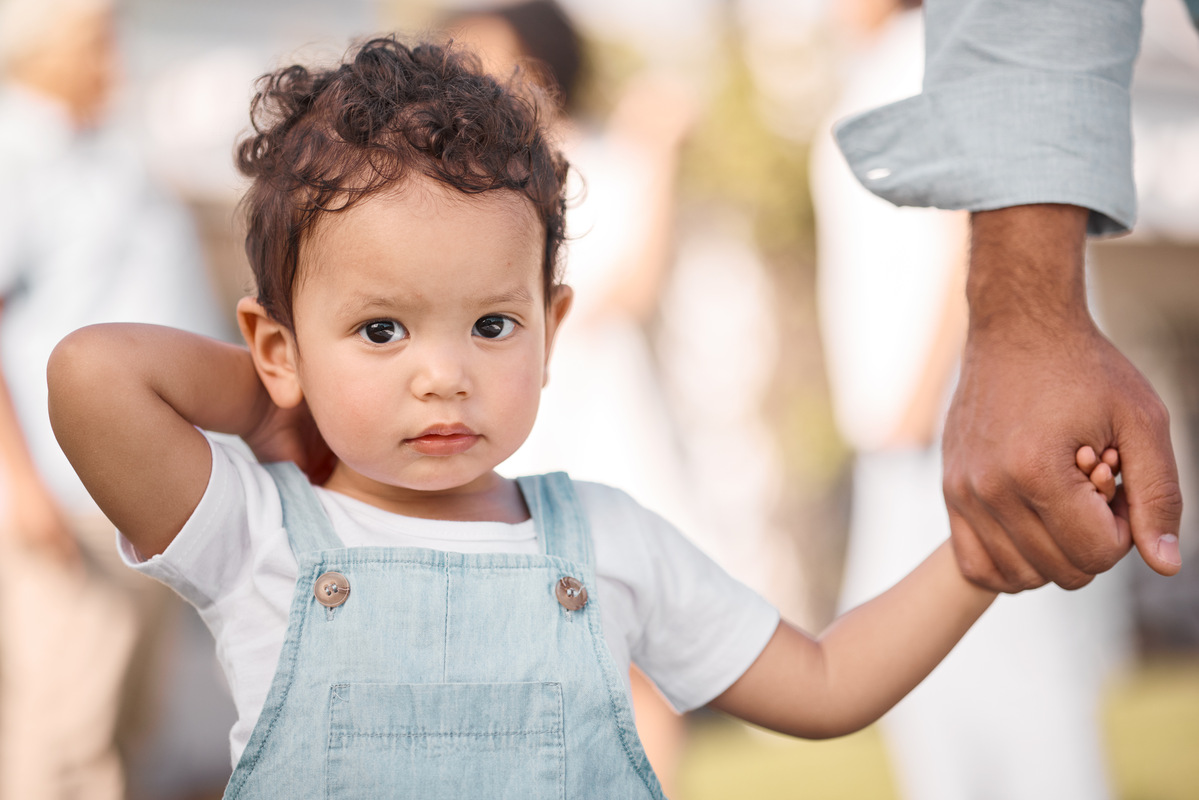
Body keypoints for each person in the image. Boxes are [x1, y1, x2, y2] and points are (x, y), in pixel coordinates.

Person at [47, 37, 1114, 797]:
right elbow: (91, 374)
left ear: (552, 328)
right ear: (276, 344)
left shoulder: (607, 540)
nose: (443, 375)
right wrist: (285, 401)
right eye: (380, 331)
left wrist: (980, 555)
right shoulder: (258, 532)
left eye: (491, 325)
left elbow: (827, 682)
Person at [813, 2, 1129, 796]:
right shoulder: (875, 65)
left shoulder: (931, 55)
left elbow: (975, 223)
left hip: (941, 418)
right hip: (900, 422)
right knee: (931, 686)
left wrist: (920, 407)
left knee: (1010, 674)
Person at [834, 0, 1189, 594]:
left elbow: (955, 238)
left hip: (937, 406)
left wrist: (1014, 336)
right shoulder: (873, 67)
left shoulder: (922, 58)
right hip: (912, 411)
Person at [443, 3, 699, 792]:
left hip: (605, 434)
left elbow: (633, 282)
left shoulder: (602, 161)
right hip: (507, 444)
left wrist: (656, 153)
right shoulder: (448, 190)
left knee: (635, 666)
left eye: (496, 61)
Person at [0, 0, 227, 796]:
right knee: (67, 730)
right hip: (70, 491)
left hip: (151, 486)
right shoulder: (14, 153)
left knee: (131, 725)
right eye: (97, 36)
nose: (115, 53)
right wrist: (21, 486)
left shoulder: (111, 150)